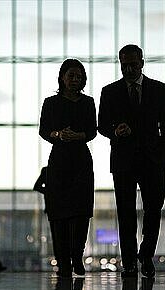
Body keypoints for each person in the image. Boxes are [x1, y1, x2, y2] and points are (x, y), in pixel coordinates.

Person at [98, 44, 165, 278]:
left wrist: (164, 156)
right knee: (126, 212)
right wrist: (115, 130)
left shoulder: (160, 90)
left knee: (153, 210)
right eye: (124, 65)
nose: (128, 69)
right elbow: (101, 125)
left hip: (152, 161)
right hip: (124, 161)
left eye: (132, 64)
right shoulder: (109, 92)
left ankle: (146, 255)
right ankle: (130, 261)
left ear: (142, 62)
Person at [39, 59, 97, 277]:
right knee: (59, 213)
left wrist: (78, 135)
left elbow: (92, 130)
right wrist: (58, 135)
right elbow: (44, 130)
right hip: (59, 161)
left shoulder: (88, 102)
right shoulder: (51, 102)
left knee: (82, 212)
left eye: (79, 76)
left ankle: (76, 255)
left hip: (81, 160)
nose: (75, 80)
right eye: (71, 75)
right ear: (62, 77)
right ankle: (63, 261)